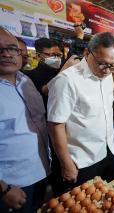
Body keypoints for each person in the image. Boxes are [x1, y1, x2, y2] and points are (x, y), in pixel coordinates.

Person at [47, 32, 114, 194]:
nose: (108, 70)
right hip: (83, 160)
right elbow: (55, 125)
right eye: (103, 63)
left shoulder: (108, 75)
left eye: (113, 65)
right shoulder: (67, 81)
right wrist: (67, 164)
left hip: (108, 149)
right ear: (87, 53)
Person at [0, 27, 51, 212]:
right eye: (0, 49)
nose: (6, 53)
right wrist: (4, 189)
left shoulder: (25, 81)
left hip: (40, 171)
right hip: (12, 185)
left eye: (12, 48)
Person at [27, 38, 62, 108]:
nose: (57, 58)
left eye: (58, 55)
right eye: (52, 55)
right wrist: (63, 73)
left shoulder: (58, 71)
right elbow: (46, 91)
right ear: (38, 56)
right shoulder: (32, 74)